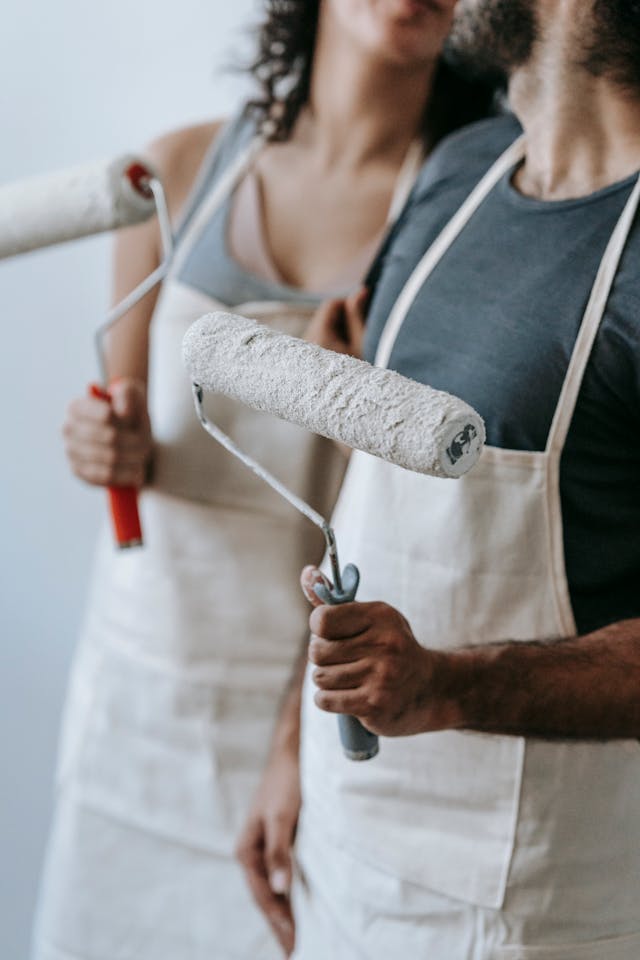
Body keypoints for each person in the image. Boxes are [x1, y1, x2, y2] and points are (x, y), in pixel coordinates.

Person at [31, 2, 500, 959]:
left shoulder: (461, 221)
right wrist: (102, 444)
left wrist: (294, 749)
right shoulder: (176, 173)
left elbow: (407, 521)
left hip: (296, 718)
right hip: (135, 695)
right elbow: (126, 427)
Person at [239, 0, 640, 957]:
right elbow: (368, 497)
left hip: (527, 907)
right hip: (340, 850)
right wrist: (292, 745)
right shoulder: (461, 170)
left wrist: (450, 687)